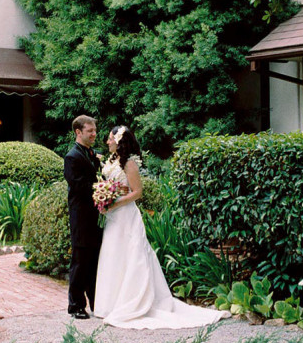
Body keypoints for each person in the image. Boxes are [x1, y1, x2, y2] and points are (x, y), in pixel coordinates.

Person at [93, 125, 229, 329]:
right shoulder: (111, 161)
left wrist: (116, 203)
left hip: (126, 216)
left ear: (119, 141)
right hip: (113, 218)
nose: (107, 142)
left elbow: (137, 192)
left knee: (131, 256)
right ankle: (110, 303)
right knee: (113, 255)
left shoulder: (129, 164)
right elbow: (109, 184)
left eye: (110, 138)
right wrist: (104, 198)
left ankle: (134, 301)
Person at [64, 115, 102, 319]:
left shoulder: (94, 154)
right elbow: (78, 186)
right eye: (90, 131)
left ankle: (97, 301)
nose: (94, 134)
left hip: (96, 215)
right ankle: (76, 305)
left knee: (95, 259)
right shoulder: (72, 157)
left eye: (95, 130)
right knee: (80, 261)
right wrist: (103, 190)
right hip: (81, 216)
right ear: (78, 132)